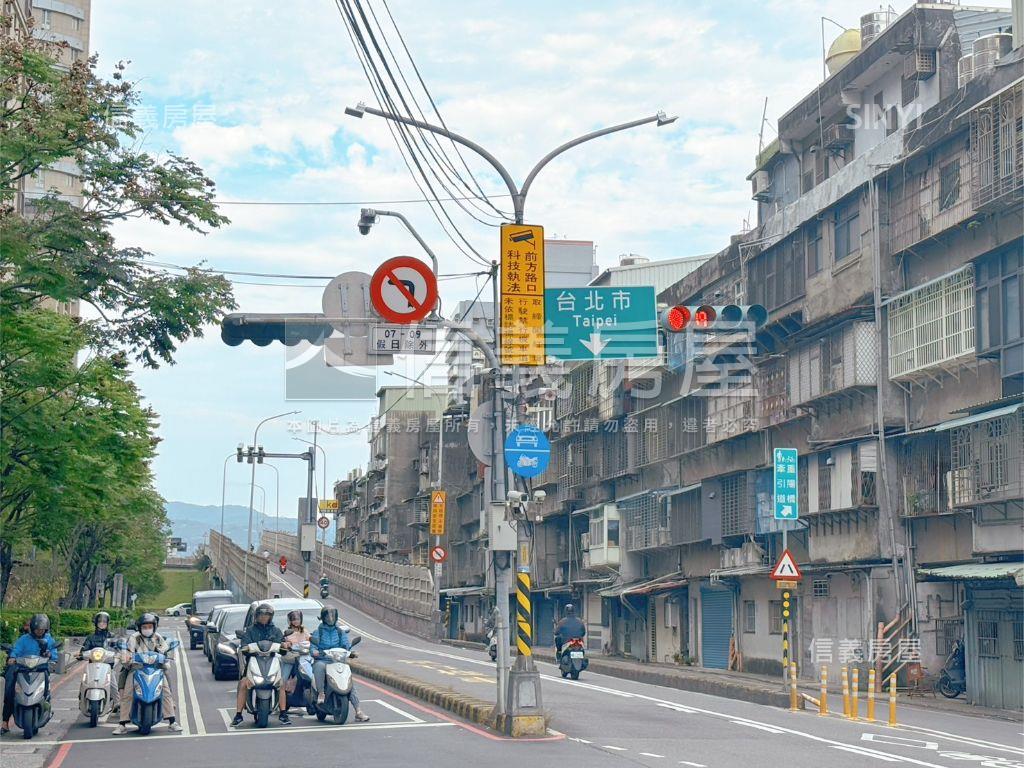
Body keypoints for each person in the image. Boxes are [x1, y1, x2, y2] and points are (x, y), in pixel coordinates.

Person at [114, 612, 181, 734]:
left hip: (155, 669)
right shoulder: (134, 638)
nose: (147, 629)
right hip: (137, 669)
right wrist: (126, 657)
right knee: (128, 693)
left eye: (150, 627)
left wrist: (165, 656)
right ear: (139, 628)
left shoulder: (158, 638)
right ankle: (122, 724)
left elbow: (166, 651)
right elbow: (127, 652)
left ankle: (172, 722)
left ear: (154, 627)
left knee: (165, 691)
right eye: (144, 627)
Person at [231, 603, 290, 726]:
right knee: (243, 684)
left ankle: (283, 713)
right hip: (254, 661)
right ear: (256, 616)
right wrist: (245, 647)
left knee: (281, 683)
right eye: (261, 615)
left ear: (271, 617)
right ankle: (238, 715)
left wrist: (285, 645)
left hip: (271, 661)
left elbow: (282, 643)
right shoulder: (250, 630)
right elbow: (244, 644)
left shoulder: (276, 630)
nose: (264, 617)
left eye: (267, 615)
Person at [309, 607, 368, 722]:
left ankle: (358, 711)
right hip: (323, 660)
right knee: (319, 666)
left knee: (348, 683)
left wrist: (351, 652)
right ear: (323, 618)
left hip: (338, 661)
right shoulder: (318, 631)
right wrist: (314, 652)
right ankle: (321, 693)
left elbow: (346, 645)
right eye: (327, 616)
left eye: (332, 616)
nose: (330, 619)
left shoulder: (340, 632)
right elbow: (313, 646)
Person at [2, 614, 58, 735]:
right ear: (32, 628)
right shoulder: (24, 639)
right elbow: (16, 650)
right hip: (23, 670)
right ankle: (5, 723)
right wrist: (12, 657)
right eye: (37, 629)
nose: (39, 632)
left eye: (42, 630)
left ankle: (46, 704)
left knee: (46, 688)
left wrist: (50, 655)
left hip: (41, 669)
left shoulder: (48, 639)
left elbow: (54, 652)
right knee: (10, 691)